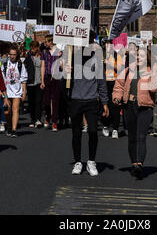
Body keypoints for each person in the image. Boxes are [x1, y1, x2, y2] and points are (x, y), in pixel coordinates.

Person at [113, 47, 157, 179]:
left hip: (145, 107)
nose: (139, 58)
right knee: (132, 137)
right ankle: (134, 163)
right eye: (137, 56)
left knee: (141, 136)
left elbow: (155, 88)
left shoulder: (151, 71)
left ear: (146, 58)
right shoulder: (129, 70)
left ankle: (139, 163)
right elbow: (119, 85)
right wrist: (117, 96)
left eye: (142, 56)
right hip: (130, 106)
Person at [67, 38, 109, 177]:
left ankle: (91, 161)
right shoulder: (71, 58)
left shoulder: (96, 60)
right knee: (76, 133)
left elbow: (102, 82)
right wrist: (65, 70)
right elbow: (59, 74)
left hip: (91, 100)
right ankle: (78, 162)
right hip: (76, 99)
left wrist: (104, 102)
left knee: (92, 131)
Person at [2, 46, 28, 137]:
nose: (12, 56)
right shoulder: (5, 64)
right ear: (8, 55)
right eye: (11, 54)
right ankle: (8, 126)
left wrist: (24, 92)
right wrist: (1, 91)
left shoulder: (20, 65)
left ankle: (14, 129)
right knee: (7, 112)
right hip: (7, 91)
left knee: (15, 110)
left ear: (17, 55)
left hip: (17, 91)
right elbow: (1, 79)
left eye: (14, 54)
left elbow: (23, 80)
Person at [40, 35, 62, 131]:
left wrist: (61, 58)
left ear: (51, 42)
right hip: (47, 77)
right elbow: (43, 66)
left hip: (56, 77)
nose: (45, 44)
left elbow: (62, 67)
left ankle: (54, 122)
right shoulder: (44, 52)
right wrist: (42, 81)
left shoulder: (59, 52)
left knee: (55, 100)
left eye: (47, 42)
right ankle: (48, 117)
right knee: (46, 101)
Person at [103, 42, 124, 139]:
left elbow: (120, 68)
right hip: (104, 83)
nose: (108, 48)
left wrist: (108, 63)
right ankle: (106, 125)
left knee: (115, 106)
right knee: (104, 105)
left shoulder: (117, 56)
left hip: (115, 82)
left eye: (110, 46)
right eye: (106, 46)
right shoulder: (101, 56)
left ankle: (115, 129)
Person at [25, 41, 43, 128]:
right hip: (30, 82)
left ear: (37, 48)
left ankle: (38, 119)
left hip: (39, 81)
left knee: (39, 101)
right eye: (31, 47)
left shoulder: (41, 56)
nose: (32, 49)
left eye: (34, 47)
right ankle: (32, 120)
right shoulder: (28, 56)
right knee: (31, 102)